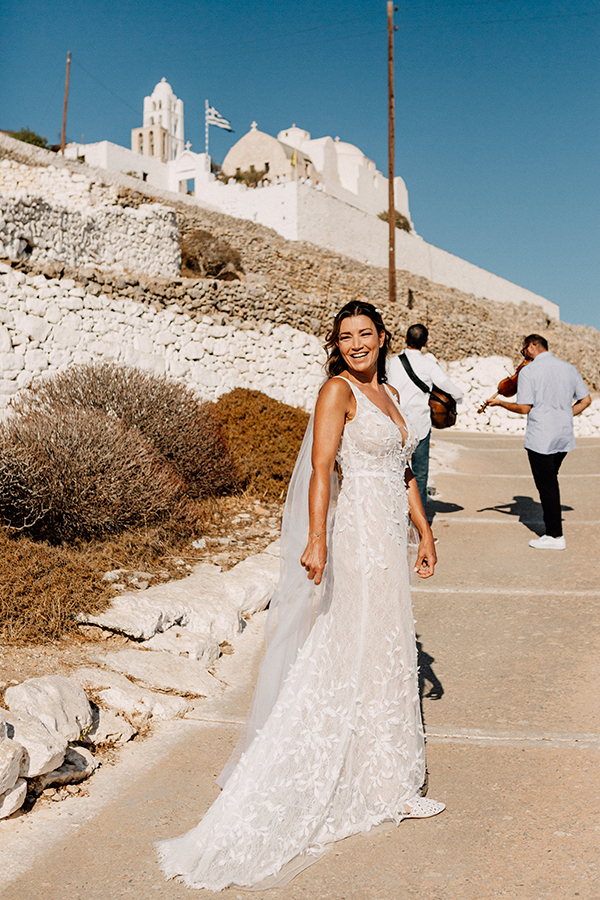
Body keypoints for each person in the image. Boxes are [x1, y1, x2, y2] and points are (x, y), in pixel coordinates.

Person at [155, 301, 444, 891]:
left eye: (366, 334)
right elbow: (320, 469)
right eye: (347, 336)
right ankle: (346, 771)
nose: (358, 343)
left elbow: (406, 471)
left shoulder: (388, 392)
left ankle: (390, 779)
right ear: (336, 345)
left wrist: (425, 530)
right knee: (350, 644)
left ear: (384, 337)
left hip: (390, 538)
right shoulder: (336, 391)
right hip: (357, 537)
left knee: (388, 649)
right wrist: (316, 538)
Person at [487, 333, 590, 549]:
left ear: (532, 346)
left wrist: (500, 403)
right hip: (563, 435)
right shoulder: (568, 368)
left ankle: (555, 536)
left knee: (547, 484)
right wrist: (565, 414)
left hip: (541, 437)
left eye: (523, 350)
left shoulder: (529, 370)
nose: (523, 354)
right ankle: (553, 532)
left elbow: (524, 408)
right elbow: (586, 400)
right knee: (551, 479)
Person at [387, 323, 463, 508]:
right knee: (420, 474)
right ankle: (420, 525)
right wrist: (458, 397)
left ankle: (397, 516)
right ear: (426, 343)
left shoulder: (391, 363)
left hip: (395, 425)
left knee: (395, 471)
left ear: (405, 339)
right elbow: (450, 388)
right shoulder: (429, 365)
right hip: (420, 425)